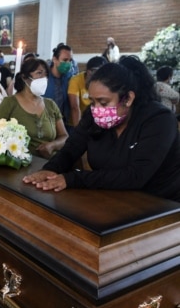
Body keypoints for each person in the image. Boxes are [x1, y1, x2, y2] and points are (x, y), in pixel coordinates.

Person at [22, 56, 180, 202]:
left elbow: (136, 175)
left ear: (128, 98)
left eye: (103, 102)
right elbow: (71, 149)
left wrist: (72, 179)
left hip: (162, 205)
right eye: (92, 101)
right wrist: (50, 170)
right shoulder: (93, 117)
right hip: (113, 198)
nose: (96, 109)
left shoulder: (159, 120)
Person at [0, 58, 68, 159]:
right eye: (39, 73)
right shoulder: (10, 103)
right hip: (19, 163)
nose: (44, 78)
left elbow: (64, 136)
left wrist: (52, 145)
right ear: (25, 77)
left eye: (46, 74)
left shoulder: (50, 104)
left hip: (49, 162)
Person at [68, 56, 107, 128]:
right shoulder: (75, 80)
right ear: (89, 71)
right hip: (75, 122)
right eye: (98, 72)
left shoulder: (103, 82)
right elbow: (75, 107)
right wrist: (78, 131)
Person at [43, 43, 74, 130]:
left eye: (70, 60)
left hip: (64, 124)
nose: (68, 63)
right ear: (55, 60)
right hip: (45, 123)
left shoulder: (70, 78)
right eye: (64, 60)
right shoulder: (44, 77)